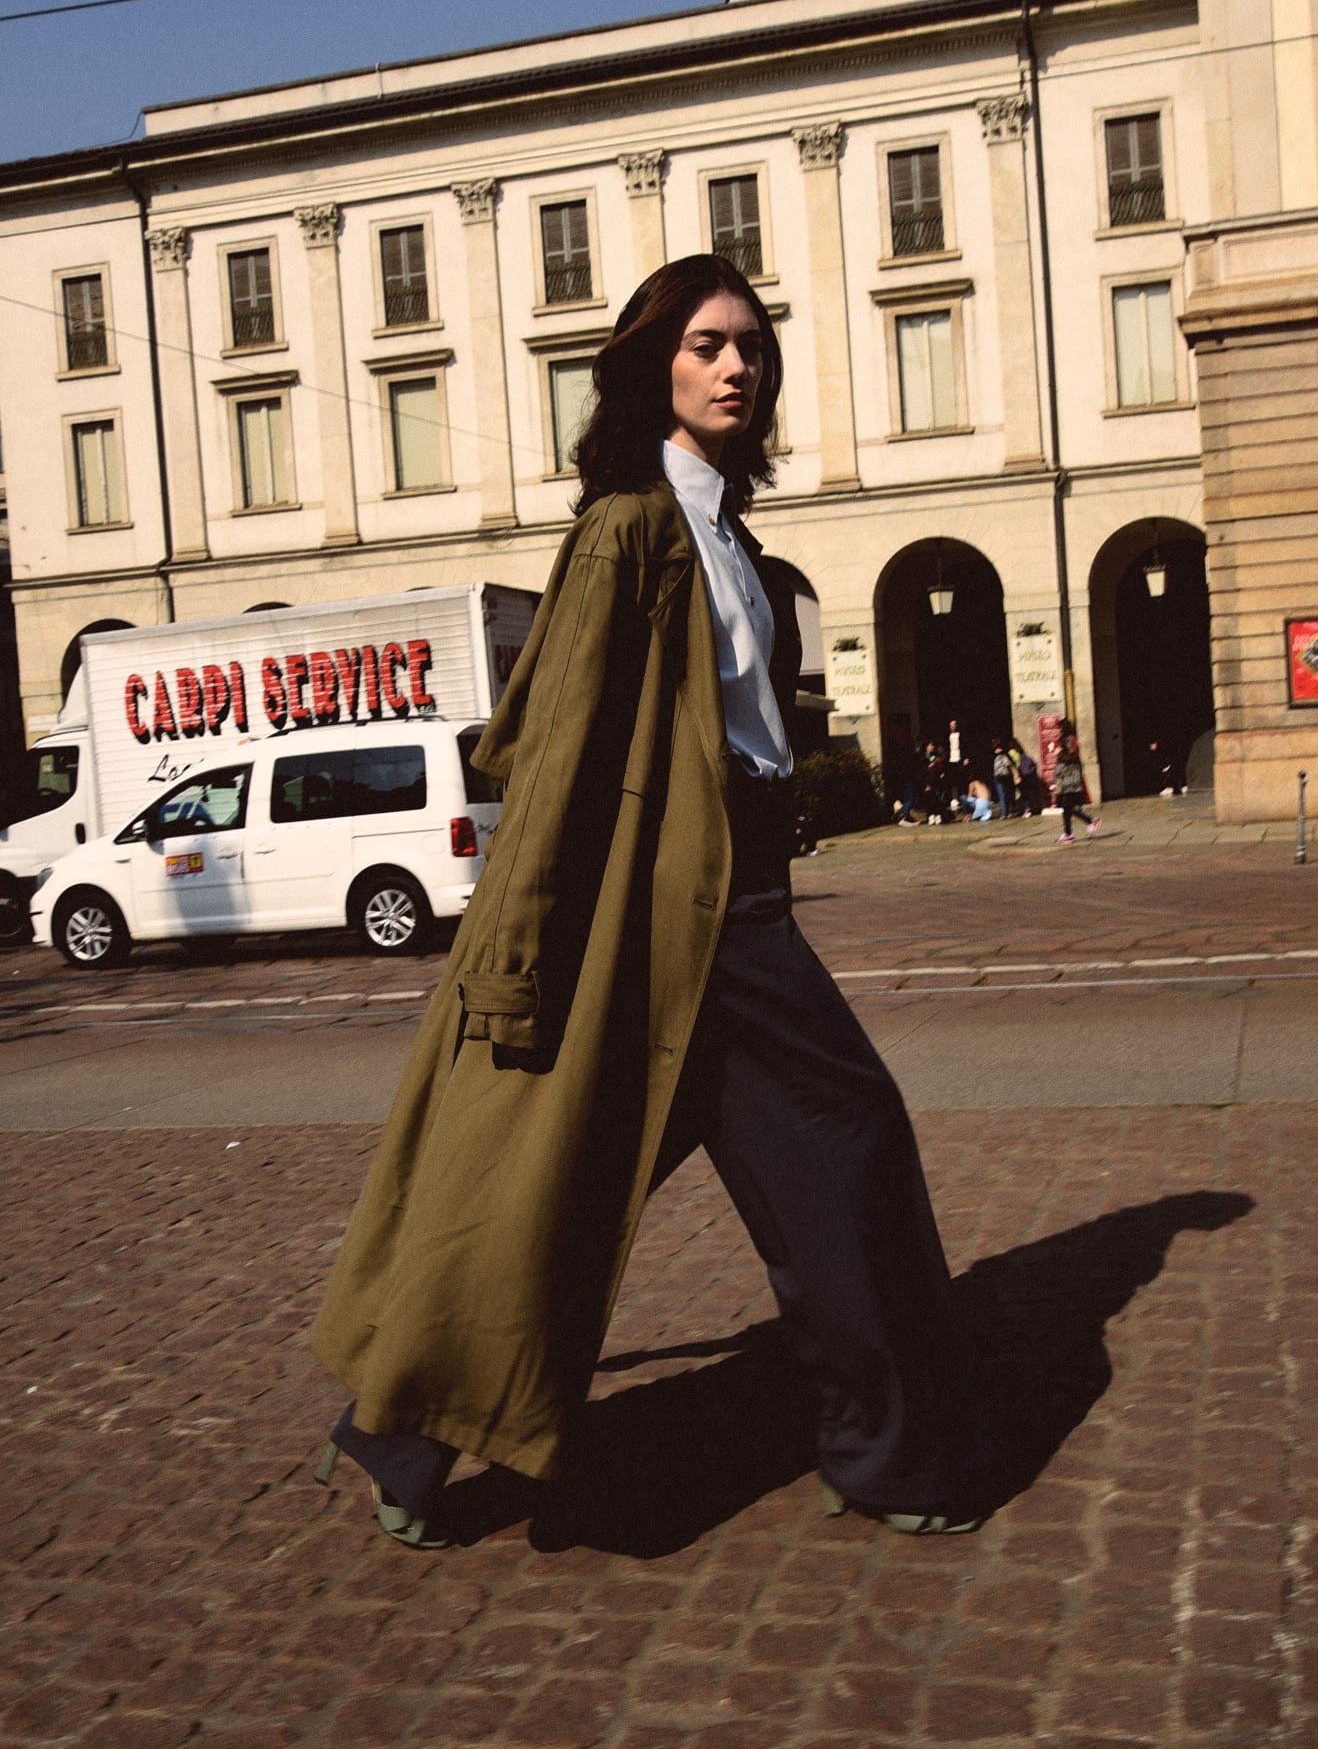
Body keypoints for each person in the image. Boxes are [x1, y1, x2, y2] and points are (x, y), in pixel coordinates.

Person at [312, 255, 986, 1545]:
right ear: (652, 368)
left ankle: (401, 1436)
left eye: (751, 347)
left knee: (562, 1181)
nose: (737, 365)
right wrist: (509, 952)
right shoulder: (630, 527)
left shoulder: (732, 534)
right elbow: (556, 744)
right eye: (707, 344)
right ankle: (890, 1449)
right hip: (681, 909)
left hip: (736, 890)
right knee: (847, 1133)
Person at [1053, 731, 1100, 844]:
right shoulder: (1075, 757)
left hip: (1065, 788)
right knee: (1068, 810)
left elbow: (1059, 774)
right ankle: (1068, 833)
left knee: (1068, 809)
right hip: (1075, 788)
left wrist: (1057, 789)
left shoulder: (1062, 758)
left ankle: (1090, 821)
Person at [990, 741, 1015, 819]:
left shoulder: (1000, 755)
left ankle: (1005, 813)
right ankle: (1006, 812)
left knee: (1003, 794)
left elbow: (1010, 764)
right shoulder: (1005, 754)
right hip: (1002, 776)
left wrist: (1015, 774)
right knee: (1005, 794)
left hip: (1000, 776)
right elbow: (1010, 764)